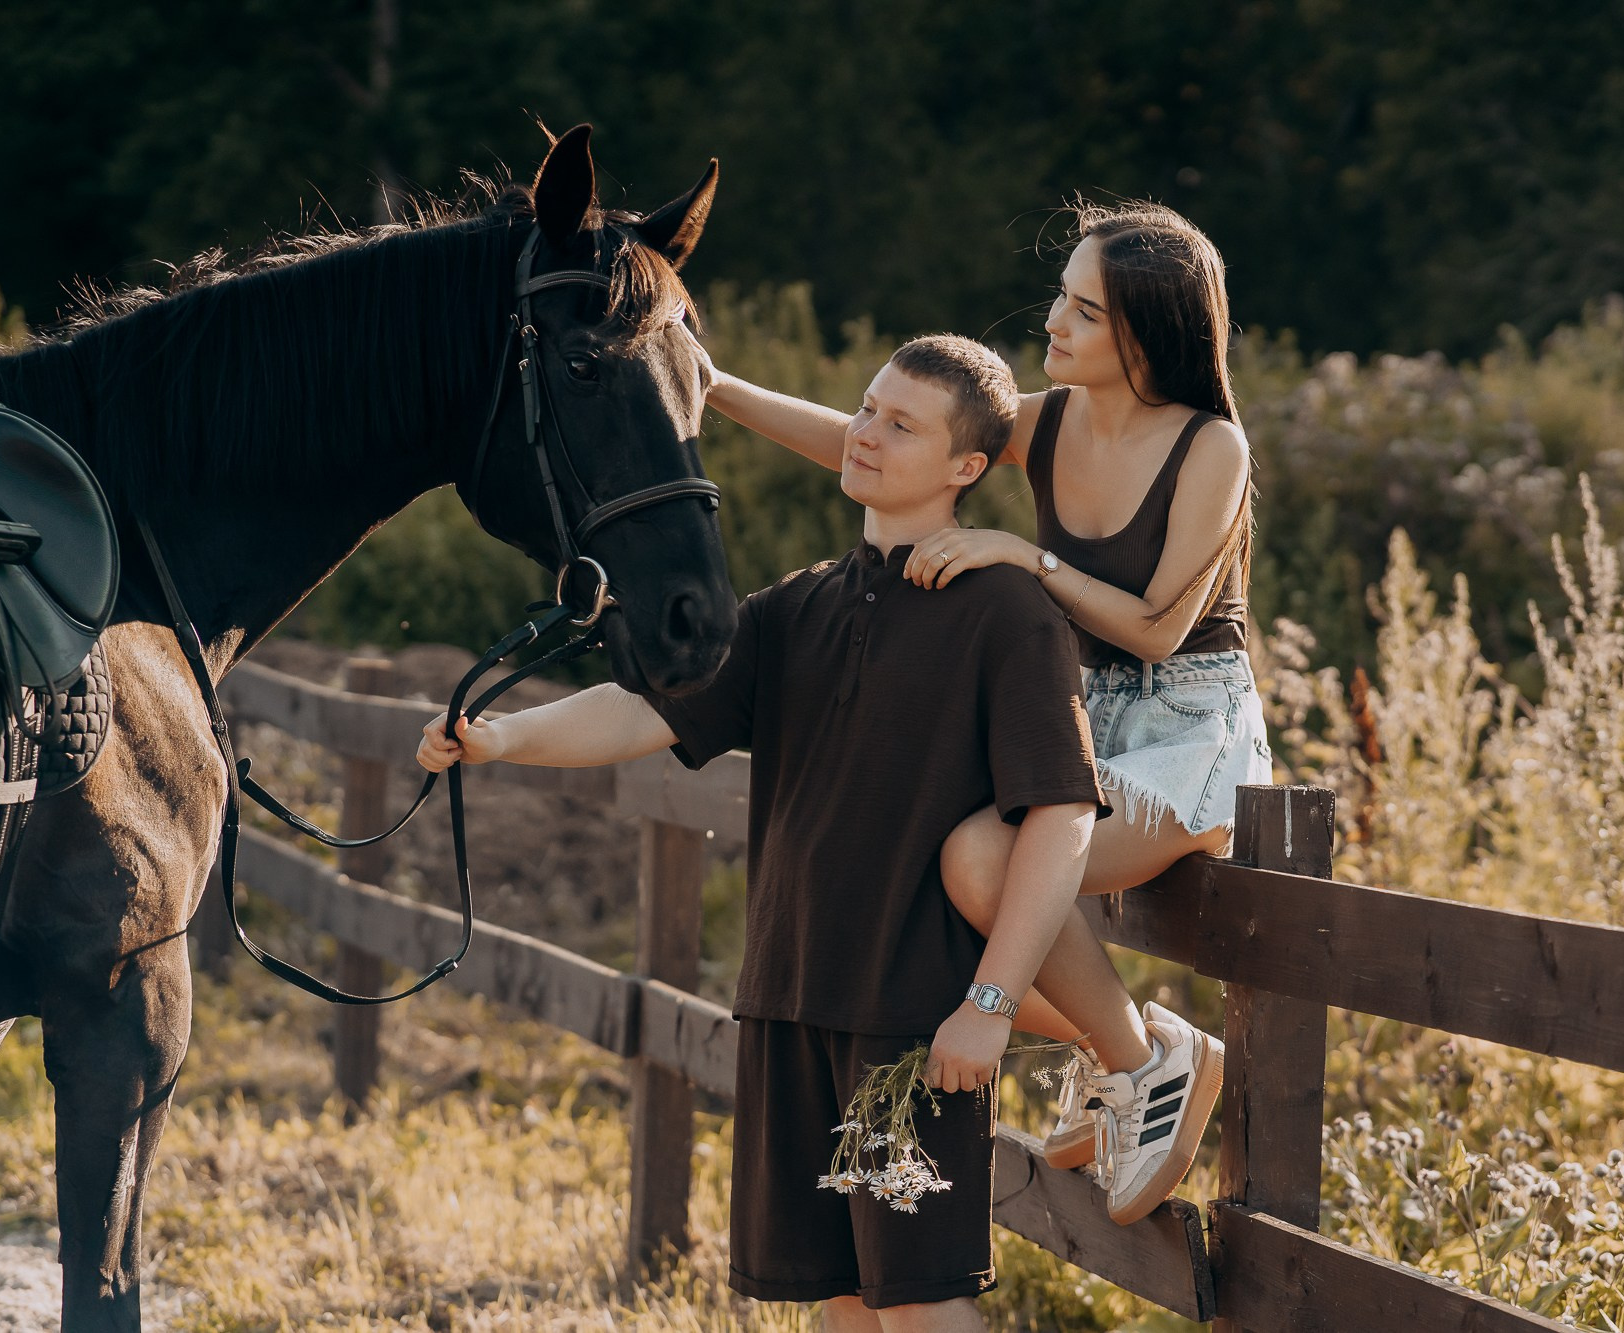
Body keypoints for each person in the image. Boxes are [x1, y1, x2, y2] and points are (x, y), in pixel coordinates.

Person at [419, 334, 1211, 1329]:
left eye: (899, 424)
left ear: (966, 467)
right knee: (838, 1303)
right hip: (790, 1005)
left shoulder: (1006, 611)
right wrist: (501, 738)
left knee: (919, 1307)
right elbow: (646, 708)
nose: (864, 435)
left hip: (911, 1030)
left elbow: (1057, 818)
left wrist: (990, 1003)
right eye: (867, 408)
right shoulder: (797, 603)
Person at [700, 202, 1265, 1220]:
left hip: (1189, 733)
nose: (1052, 320)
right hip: (1086, 710)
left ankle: (1139, 1062)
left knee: (983, 859)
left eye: (1084, 311)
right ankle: (1135, 1052)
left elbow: (1152, 630)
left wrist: (1023, 556)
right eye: (1062, 295)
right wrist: (714, 390)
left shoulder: (1208, 449)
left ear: (1145, 337)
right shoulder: (1046, 421)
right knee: (954, 856)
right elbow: (878, 443)